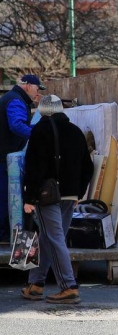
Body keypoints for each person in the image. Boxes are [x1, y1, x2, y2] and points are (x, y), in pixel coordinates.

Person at [21, 95, 93, 304]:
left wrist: (30, 197)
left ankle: (69, 287)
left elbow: (34, 168)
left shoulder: (40, 131)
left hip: (47, 196)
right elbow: (87, 167)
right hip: (70, 196)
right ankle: (36, 284)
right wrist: (78, 192)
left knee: (54, 239)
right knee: (47, 237)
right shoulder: (76, 131)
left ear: (41, 111)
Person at [0, 74, 44, 242]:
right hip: (4, 157)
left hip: (4, 155)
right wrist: (38, 135)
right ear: (28, 86)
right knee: (5, 196)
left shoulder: (14, 98)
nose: (37, 93)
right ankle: (3, 233)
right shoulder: (17, 101)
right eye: (37, 88)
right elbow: (17, 125)